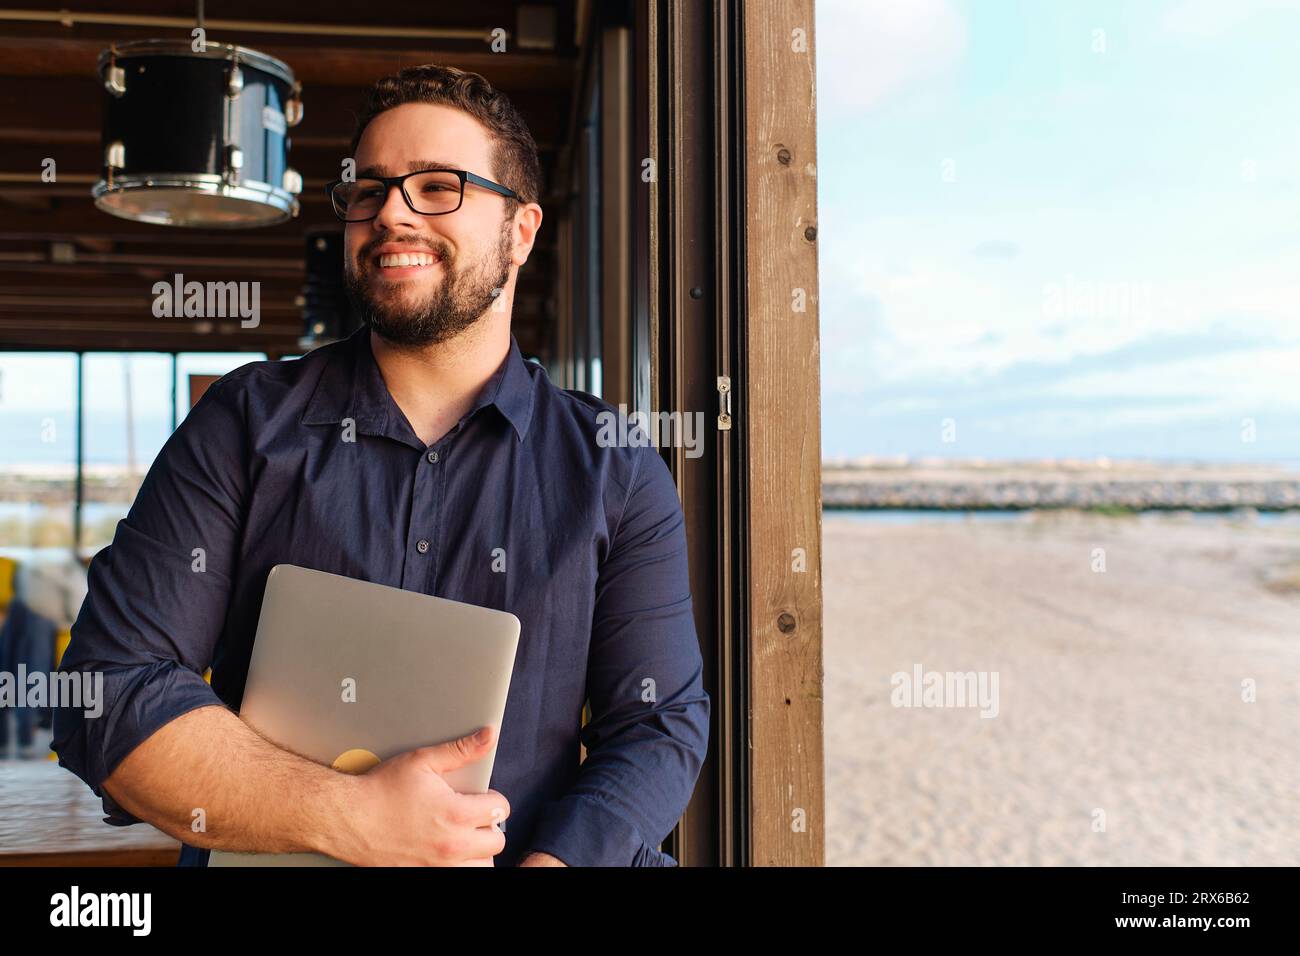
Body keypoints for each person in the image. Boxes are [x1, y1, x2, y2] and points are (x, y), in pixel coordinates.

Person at [51, 64, 710, 867]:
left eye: (438, 186)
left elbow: (656, 725)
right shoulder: (243, 424)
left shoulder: (615, 471)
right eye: (370, 190)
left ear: (522, 231)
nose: (390, 213)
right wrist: (348, 815)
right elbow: (108, 691)